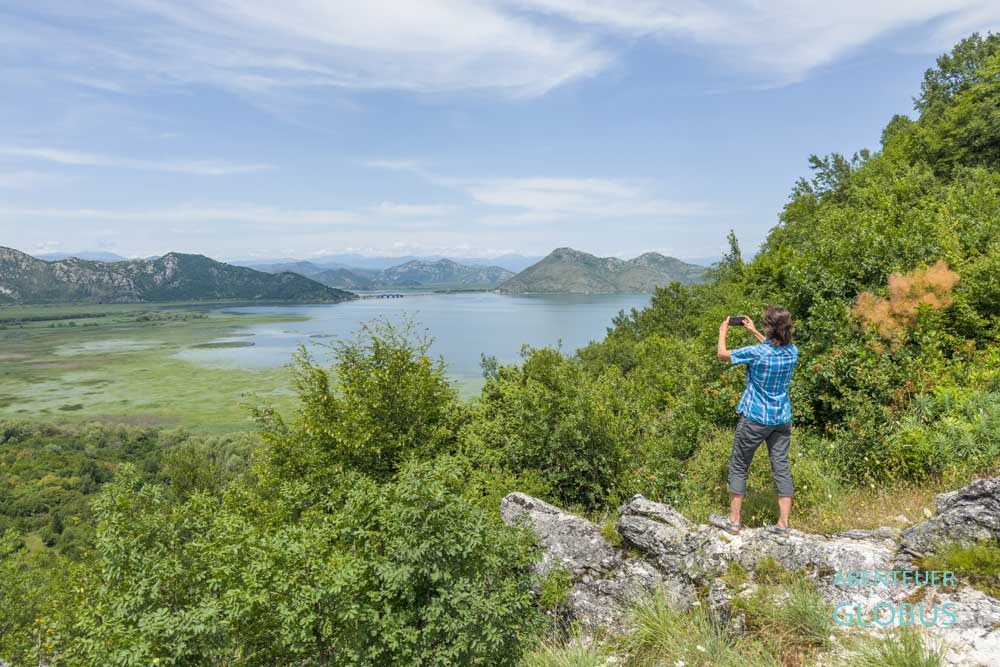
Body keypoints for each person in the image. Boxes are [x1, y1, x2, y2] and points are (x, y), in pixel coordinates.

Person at [709, 306, 798, 535]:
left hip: (755, 419)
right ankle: (783, 525)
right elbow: (772, 347)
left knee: (739, 465)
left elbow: (722, 353)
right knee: (781, 467)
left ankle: (734, 521)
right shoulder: (792, 352)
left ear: (770, 328)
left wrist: (723, 331)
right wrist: (754, 331)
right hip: (781, 418)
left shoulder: (757, 353)